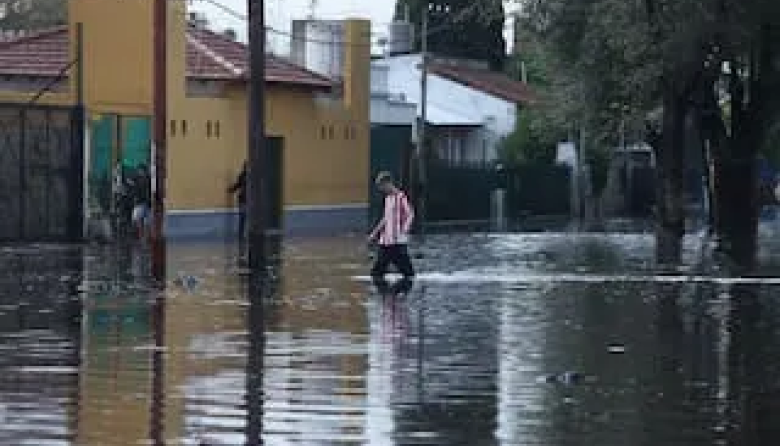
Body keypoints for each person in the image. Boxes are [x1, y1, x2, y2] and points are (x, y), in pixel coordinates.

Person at [368, 171, 415, 279]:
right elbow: (385, 218)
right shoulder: (387, 199)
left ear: (388, 183)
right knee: (377, 272)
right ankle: (387, 293)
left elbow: (410, 214)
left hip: (397, 242)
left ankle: (399, 291)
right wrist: (374, 233)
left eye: (381, 186)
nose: (381, 189)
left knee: (407, 273)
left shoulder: (401, 197)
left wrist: (404, 230)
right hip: (385, 241)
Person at [130, 164, 152, 242]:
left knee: (139, 220)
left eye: (139, 170)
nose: (138, 172)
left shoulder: (145, 180)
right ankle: (144, 237)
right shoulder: (145, 179)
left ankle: (143, 237)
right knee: (142, 221)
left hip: (143, 203)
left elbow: (137, 190)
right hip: (145, 203)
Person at [228, 162, 247, 246]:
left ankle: (244, 235)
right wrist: (231, 189)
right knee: (242, 218)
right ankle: (241, 235)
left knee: (245, 218)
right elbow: (238, 185)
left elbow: (238, 185)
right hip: (243, 200)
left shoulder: (254, 177)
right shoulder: (242, 176)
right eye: (246, 167)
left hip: (249, 201)